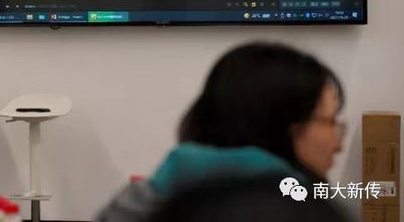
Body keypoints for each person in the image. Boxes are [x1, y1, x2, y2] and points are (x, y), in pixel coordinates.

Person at [95, 42, 348, 222]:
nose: (338, 144)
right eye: (329, 122)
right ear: (284, 126)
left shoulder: (157, 196)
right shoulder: (292, 209)